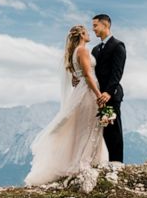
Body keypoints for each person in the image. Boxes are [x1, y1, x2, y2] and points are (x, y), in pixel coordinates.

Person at [24, 25, 109, 186]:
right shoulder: (82, 50)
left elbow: (75, 76)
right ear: (82, 35)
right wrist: (99, 96)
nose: (90, 34)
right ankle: (83, 162)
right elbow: (87, 75)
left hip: (82, 90)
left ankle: (86, 160)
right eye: (87, 32)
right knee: (88, 126)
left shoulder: (73, 53)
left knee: (85, 126)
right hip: (88, 92)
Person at [92, 14, 126, 162]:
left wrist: (108, 92)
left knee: (113, 130)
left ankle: (116, 163)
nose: (93, 29)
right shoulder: (95, 49)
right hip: (98, 97)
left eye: (95, 26)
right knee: (103, 130)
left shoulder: (118, 46)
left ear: (105, 25)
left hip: (110, 96)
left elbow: (117, 72)